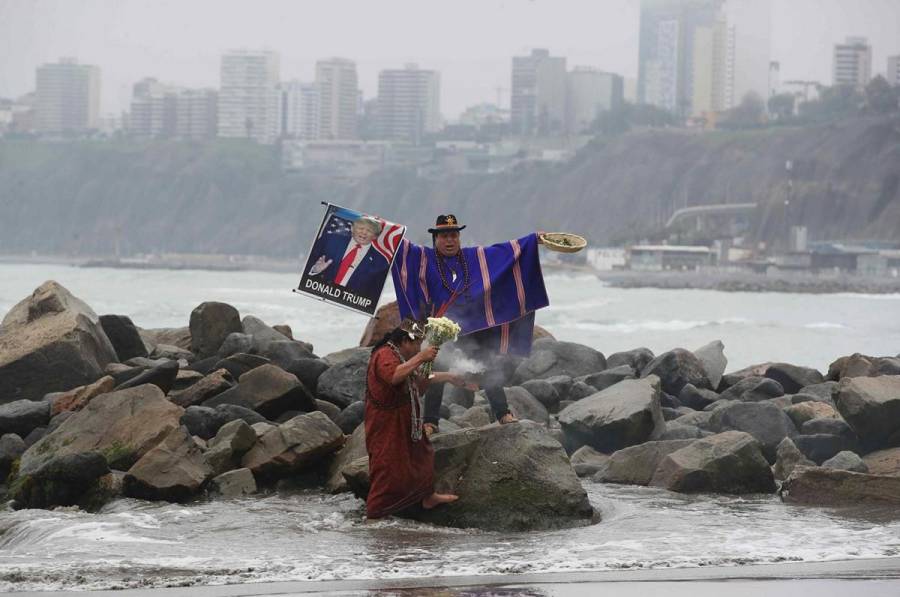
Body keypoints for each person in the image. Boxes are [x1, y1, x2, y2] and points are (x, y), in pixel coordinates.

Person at [390, 214, 549, 435]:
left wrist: (533, 240)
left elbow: (505, 252)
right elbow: (402, 248)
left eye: (454, 235)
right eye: (444, 236)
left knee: (487, 366)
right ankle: (430, 422)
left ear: (459, 237)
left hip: (474, 326)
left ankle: (503, 413)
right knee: (437, 369)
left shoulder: (474, 257)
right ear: (435, 239)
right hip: (442, 330)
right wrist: (381, 230)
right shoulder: (425, 259)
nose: (449, 240)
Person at [364, 318, 475, 520]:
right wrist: (422, 357)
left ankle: (427, 497)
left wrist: (449, 377)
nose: (417, 349)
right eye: (416, 344)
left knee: (422, 455)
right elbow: (394, 376)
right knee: (386, 468)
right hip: (386, 422)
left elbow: (419, 377)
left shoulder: (401, 357)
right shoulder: (384, 355)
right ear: (405, 341)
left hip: (406, 418)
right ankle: (374, 514)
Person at [308, 215, 389, 298]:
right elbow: (307, 266)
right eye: (361, 228)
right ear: (352, 229)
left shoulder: (380, 262)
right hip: (317, 296)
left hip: (346, 306)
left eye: (369, 230)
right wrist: (314, 270)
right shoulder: (330, 240)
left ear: (375, 236)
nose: (364, 232)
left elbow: (374, 294)